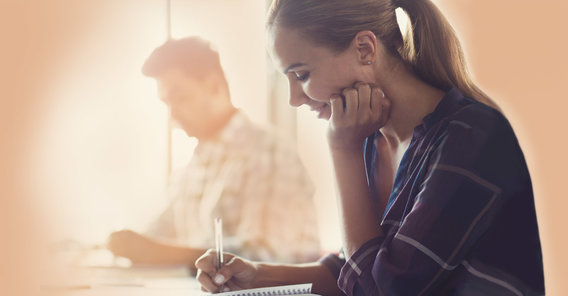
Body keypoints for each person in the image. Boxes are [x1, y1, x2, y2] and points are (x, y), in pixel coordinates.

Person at [194, 0, 545, 295]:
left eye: (301, 75)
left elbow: (378, 289)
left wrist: (341, 151)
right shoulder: (374, 139)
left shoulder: (472, 138)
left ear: (365, 49)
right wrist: (258, 275)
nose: (294, 99)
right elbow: (358, 266)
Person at [106, 37, 320, 271]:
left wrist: (158, 253)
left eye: (179, 98)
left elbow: (268, 256)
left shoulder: (267, 152)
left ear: (214, 85)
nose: (172, 116)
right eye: (166, 104)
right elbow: (154, 239)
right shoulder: (194, 167)